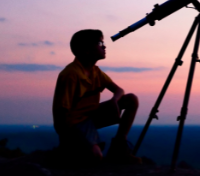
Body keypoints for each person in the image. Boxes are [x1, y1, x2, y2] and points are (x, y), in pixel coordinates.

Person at [52, 29, 141, 163]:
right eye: (99, 43)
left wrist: (114, 100)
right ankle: (69, 150)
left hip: (91, 115)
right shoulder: (70, 74)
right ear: (87, 50)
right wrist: (74, 138)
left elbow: (119, 90)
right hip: (73, 123)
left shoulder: (95, 71)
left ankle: (119, 148)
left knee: (131, 100)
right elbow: (61, 115)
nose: (104, 46)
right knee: (95, 157)